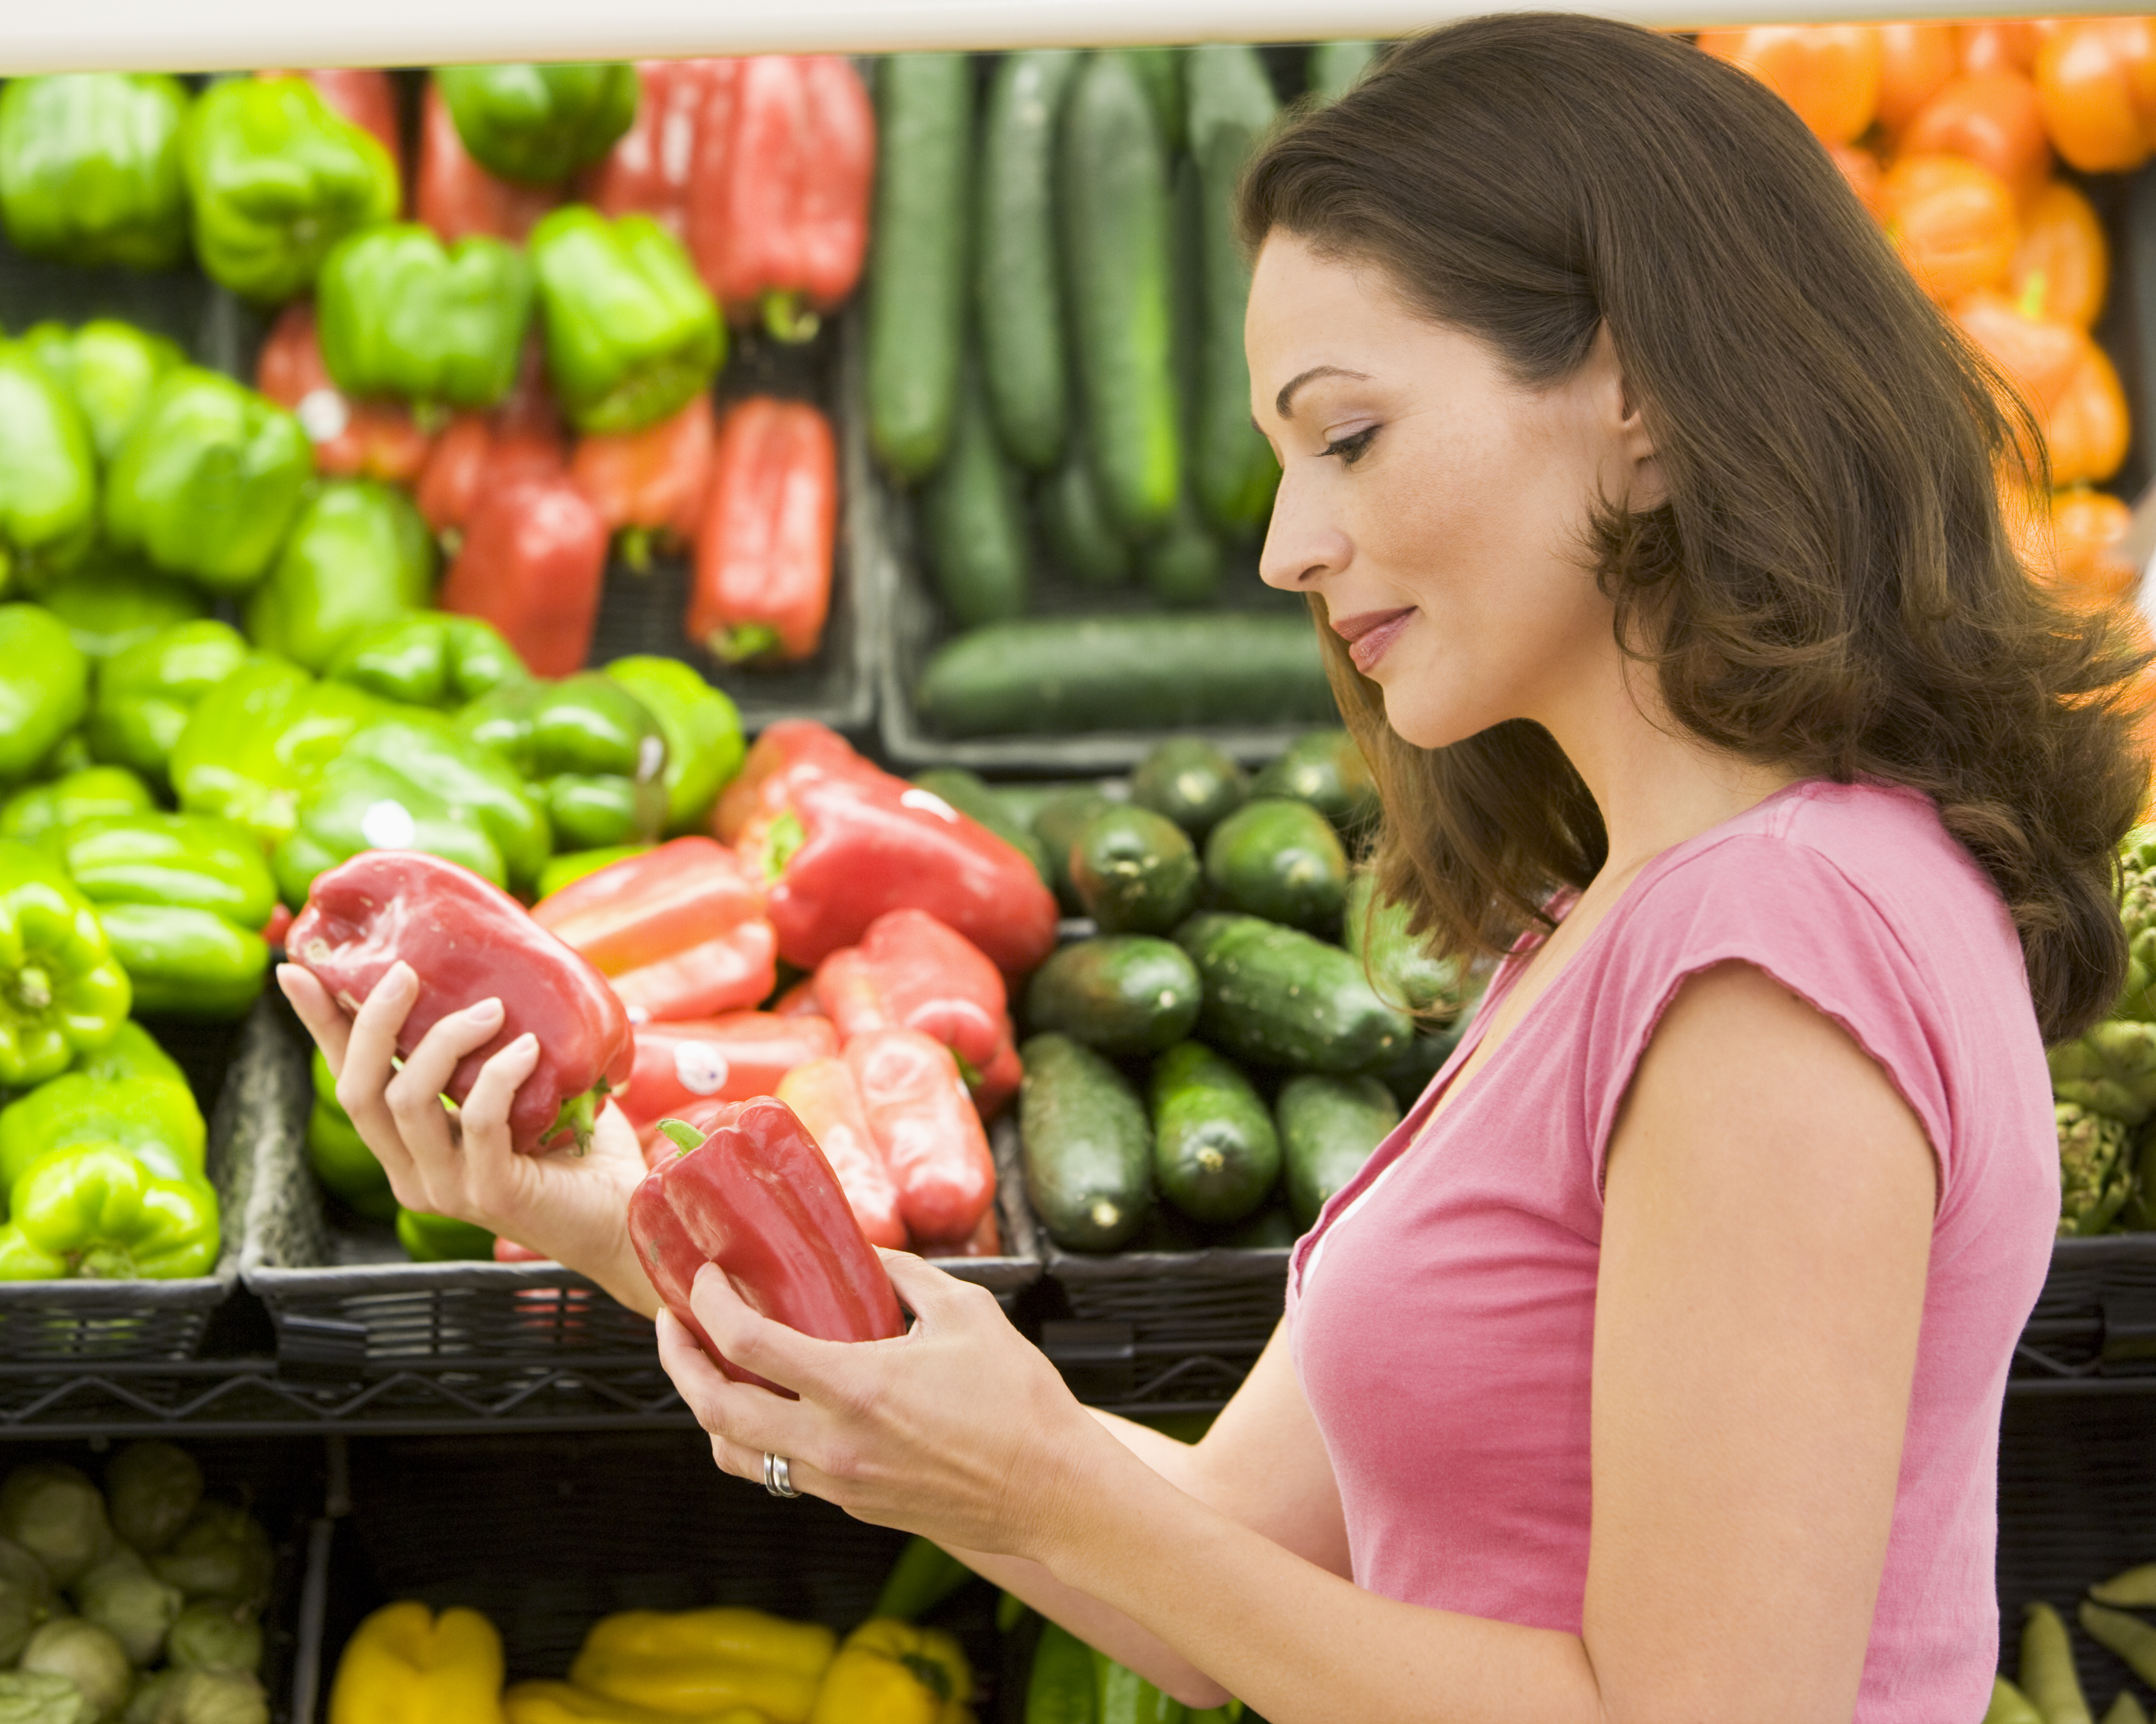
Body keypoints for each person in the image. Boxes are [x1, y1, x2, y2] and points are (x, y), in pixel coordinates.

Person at [281, 14, 2151, 1720]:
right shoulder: (1626, 926)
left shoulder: (1776, 946)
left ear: (1644, 399)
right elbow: (1227, 1564)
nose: (1286, 547)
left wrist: (1029, 1473)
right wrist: (617, 1216)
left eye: (1347, 436)